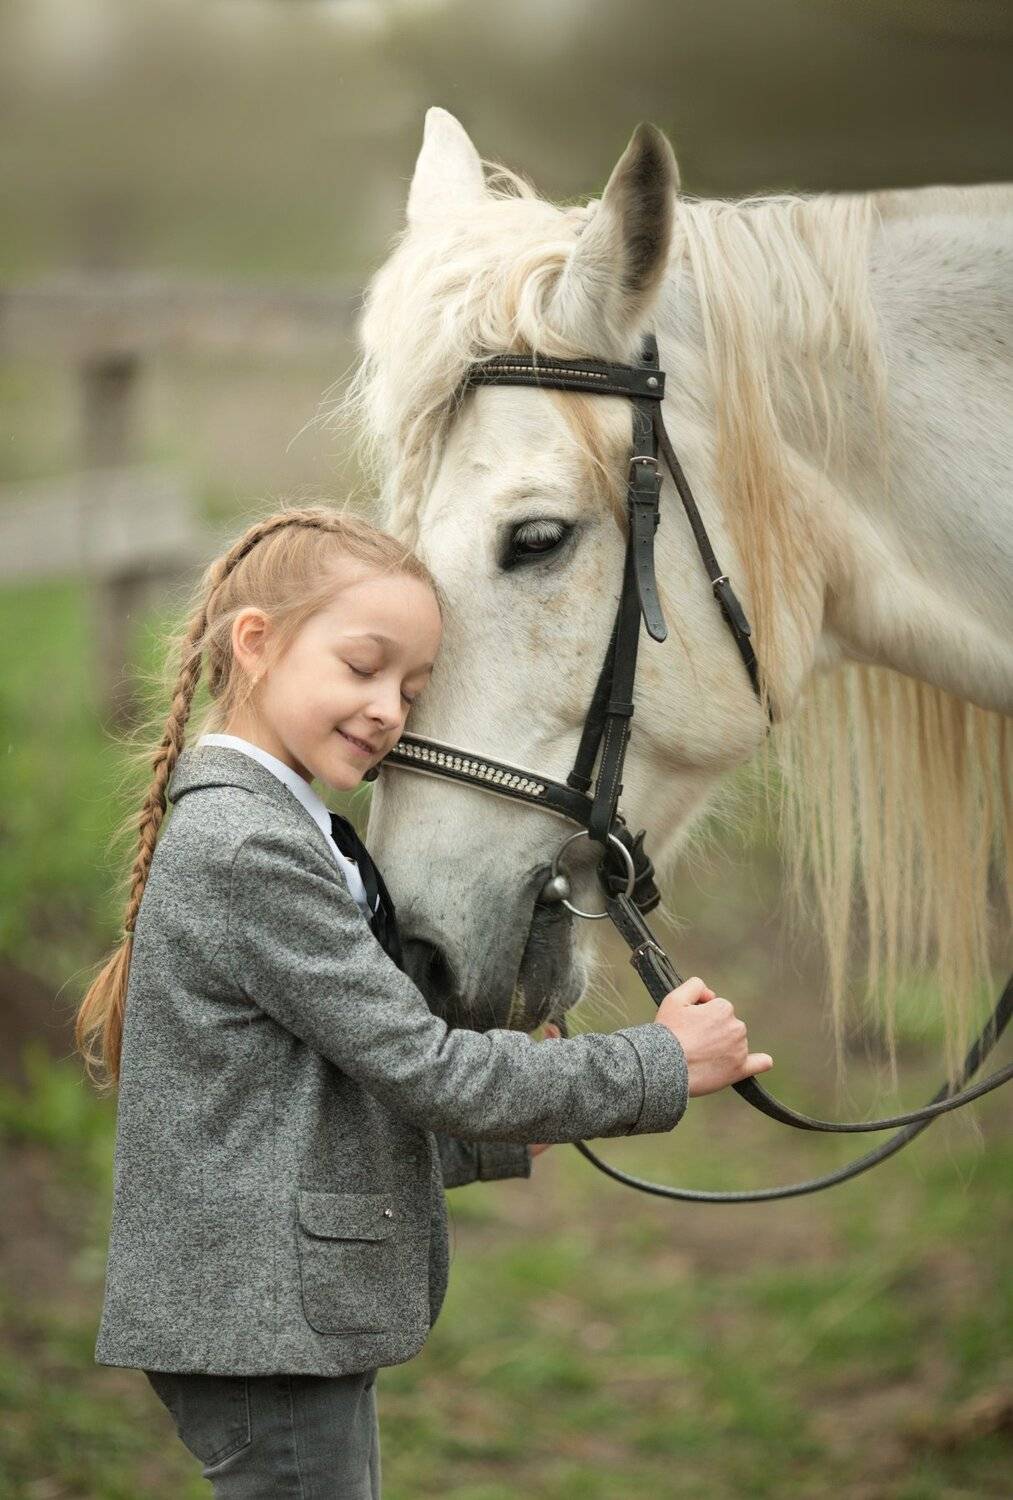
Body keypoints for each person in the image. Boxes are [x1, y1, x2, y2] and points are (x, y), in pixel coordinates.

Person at [75, 502, 773, 1497]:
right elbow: (426, 1067)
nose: (388, 711)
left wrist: (499, 1140)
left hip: (275, 1322)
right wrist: (657, 1062)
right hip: (264, 1329)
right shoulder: (249, 846)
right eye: (363, 668)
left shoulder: (285, 827)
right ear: (256, 644)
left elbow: (306, 1104)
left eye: (411, 689)